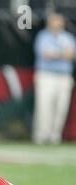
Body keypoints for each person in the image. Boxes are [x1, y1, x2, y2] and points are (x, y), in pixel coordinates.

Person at [33, 12, 76, 145]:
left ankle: (55, 136)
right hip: (46, 75)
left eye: (59, 21)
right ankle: (41, 136)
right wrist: (62, 54)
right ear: (49, 23)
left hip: (64, 76)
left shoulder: (68, 37)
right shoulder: (43, 36)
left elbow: (71, 54)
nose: (57, 24)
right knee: (44, 107)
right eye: (54, 21)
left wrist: (56, 53)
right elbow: (46, 54)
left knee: (61, 108)